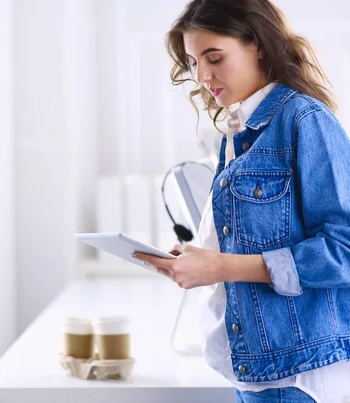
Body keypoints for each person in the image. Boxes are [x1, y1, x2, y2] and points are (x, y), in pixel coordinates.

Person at [132, 0, 350, 402]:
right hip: (256, 368)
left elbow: (344, 250)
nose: (202, 77)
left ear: (259, 45)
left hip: (294, 377)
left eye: (214, 58)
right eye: (194, 62)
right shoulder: (241, 130)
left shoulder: (305, 121)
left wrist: (218, 266)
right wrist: (197, 262)